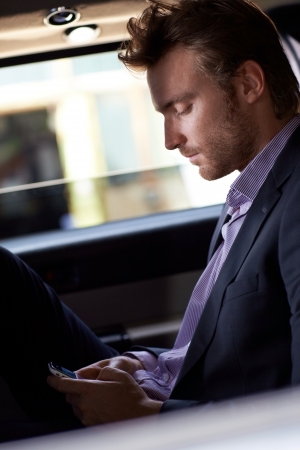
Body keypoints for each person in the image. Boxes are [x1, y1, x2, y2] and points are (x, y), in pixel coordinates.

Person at [1, 0, 300, 439]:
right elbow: (224, 353)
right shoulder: (252, 192)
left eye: (182, 108)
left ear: (249, 84)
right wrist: (148, 365)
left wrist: (148, 417)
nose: (169, 140)